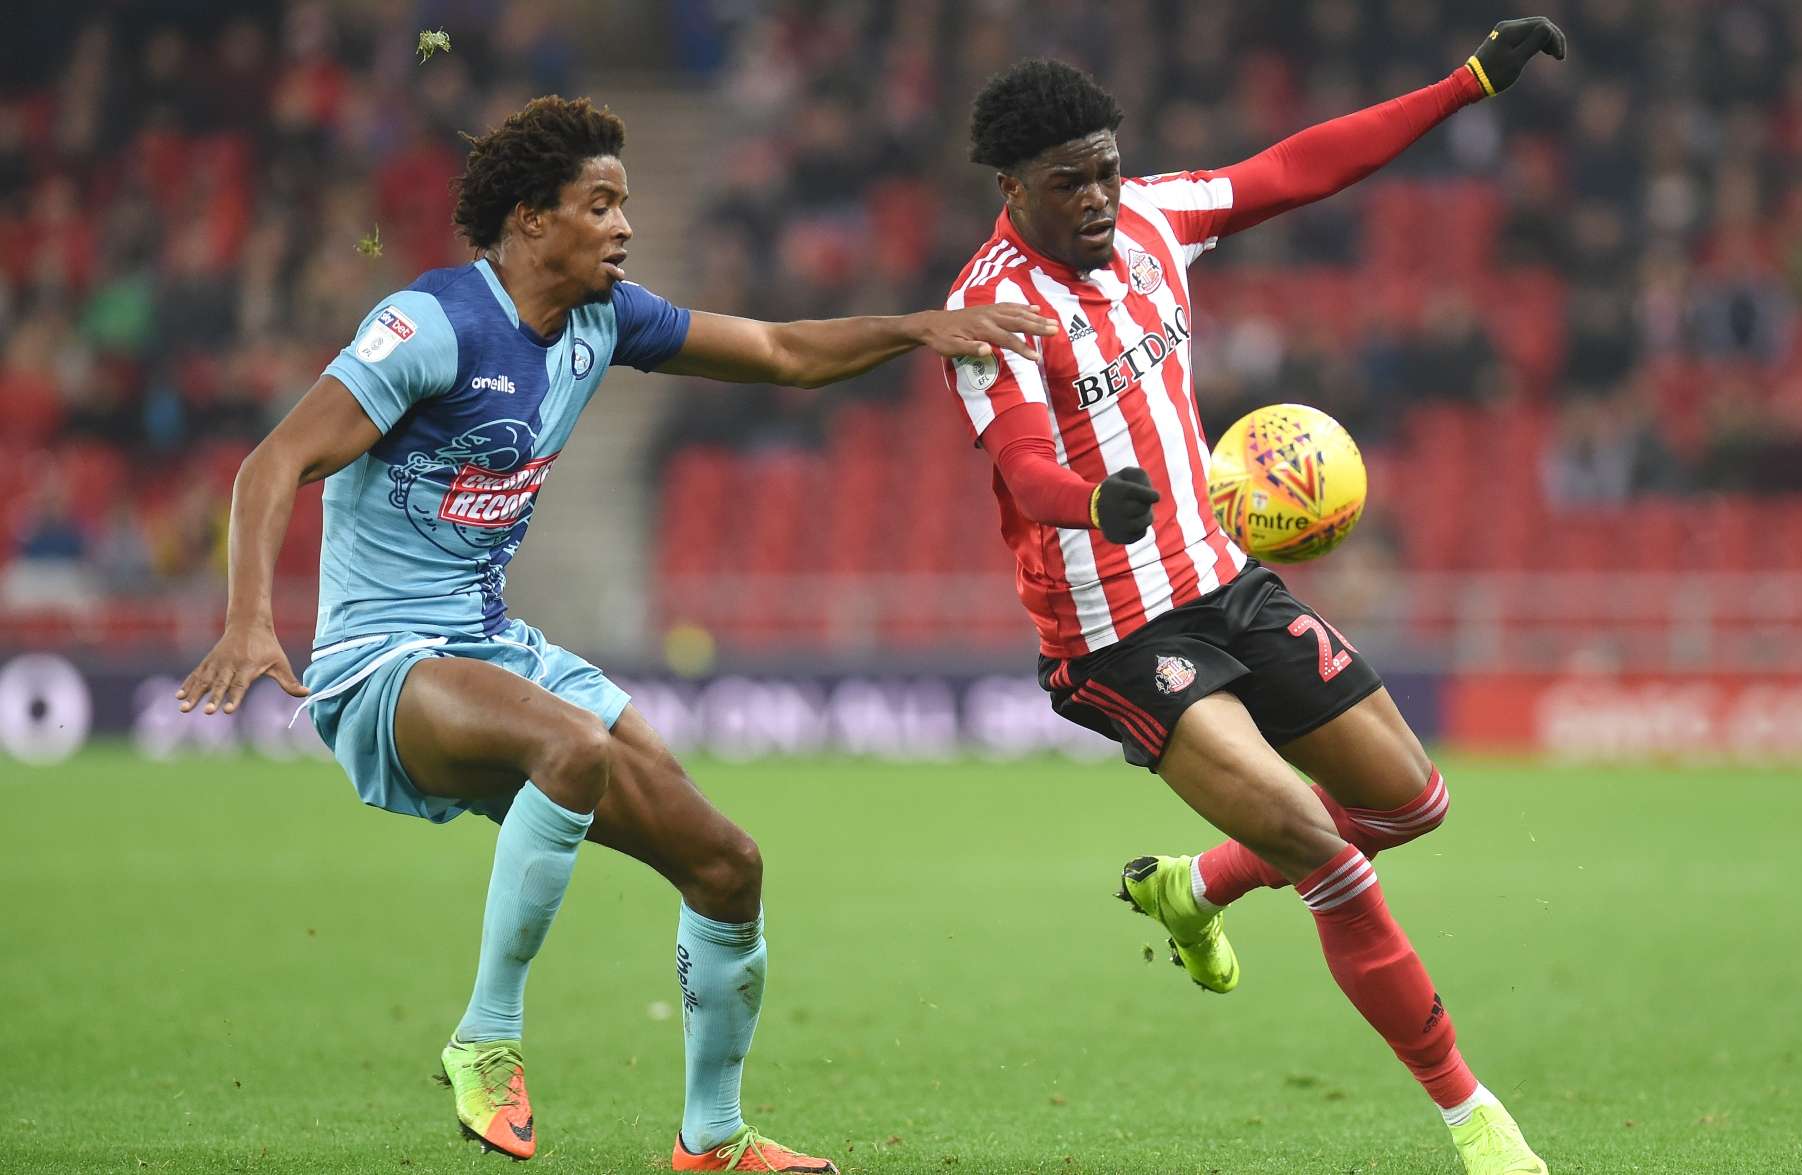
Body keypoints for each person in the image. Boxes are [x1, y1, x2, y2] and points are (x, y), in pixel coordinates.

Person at [175, 95, 1053, 1174]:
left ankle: (712, 1139)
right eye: (601, 204)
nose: (625, 225)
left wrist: (917, 328)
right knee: (574, 747)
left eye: (627, 203)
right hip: (381, 663)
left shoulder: (607, 318)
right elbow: (273, 462)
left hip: (494, 647)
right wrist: (251, 620)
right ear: (532, 219)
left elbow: (777, 348)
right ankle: (486, 1038)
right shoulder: (431, 325)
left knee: (727, 862)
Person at [942, 21, 1565, 1175]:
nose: (1096, 196)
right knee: (1327, 847)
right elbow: (1027, 465)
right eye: (1068, 180)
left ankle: (1194, 887)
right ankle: (1475, 1116)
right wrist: (1092, 503)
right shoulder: (992, 313)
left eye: (1106, 169)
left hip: (1224, 584)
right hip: (1117, 637)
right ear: (1012, 185)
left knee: (1412, 802)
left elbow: (1299, 166)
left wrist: (1466, 84)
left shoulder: (1150, 222)